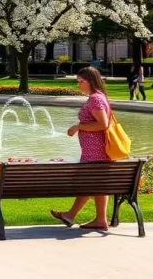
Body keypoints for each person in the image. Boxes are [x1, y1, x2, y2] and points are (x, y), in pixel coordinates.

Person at [50, 66, 113, 231]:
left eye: (81, 82)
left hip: (95, 153)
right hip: (99, 152)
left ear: (91, 81)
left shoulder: (96, 99)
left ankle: (71, 215)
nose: (79, 85)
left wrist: (79, 126)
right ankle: (99, 219)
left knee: (87, 184)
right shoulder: (99, 97)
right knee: (97, 186)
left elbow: (103, 125)